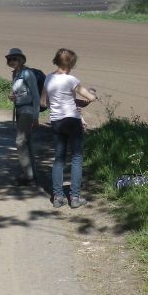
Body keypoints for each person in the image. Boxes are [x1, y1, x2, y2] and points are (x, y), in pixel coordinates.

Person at [41, 48, 98, 209]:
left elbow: (43, 103)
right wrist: (92, 93)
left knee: (59, 159)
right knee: (77, 158)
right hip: (72, 121)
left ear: (56, 61)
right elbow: (90, 97)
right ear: (71, 63)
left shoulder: (48, 79)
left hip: (56, 121)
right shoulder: (72, 80)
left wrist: (58, 101)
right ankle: (75, 197)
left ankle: (58, 197)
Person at [5, 48, 40, 186]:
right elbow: (22, 93)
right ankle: (32, 175)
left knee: (20, 142)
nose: (12, 61)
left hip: (28, 111)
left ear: (21, 59)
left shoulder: (27, 73)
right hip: (20, 111)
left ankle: (28, 176)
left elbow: (36, 96)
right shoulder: (16, 74)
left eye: (15, 58)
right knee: (27, 142)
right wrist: (14, 97)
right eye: (10, 59)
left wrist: (36, 116)